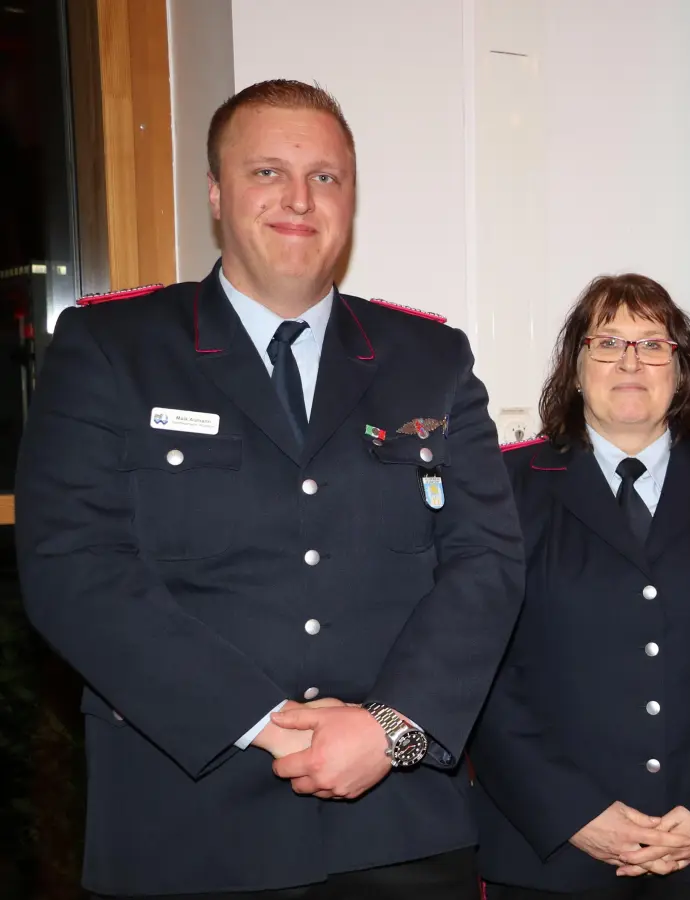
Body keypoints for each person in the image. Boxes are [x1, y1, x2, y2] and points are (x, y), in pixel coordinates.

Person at [15, 79, 523, 898]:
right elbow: (73, 566)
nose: (298, 198)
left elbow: (486, 564)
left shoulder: (430, 359)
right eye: (266, 173)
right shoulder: (113, 347)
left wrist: (388, 729)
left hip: (396, 828)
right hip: (186, 824)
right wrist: (262, 721)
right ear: (216, 194)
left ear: (351, 198)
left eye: (325, 176)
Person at [471, 274, 690, 900]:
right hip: (551, 852)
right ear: (575, 367)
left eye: (654, 344)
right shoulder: (506, 487)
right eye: (607, 342)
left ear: (680, 372)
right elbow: (481, 672)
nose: (631, 361)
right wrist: (573, 813)